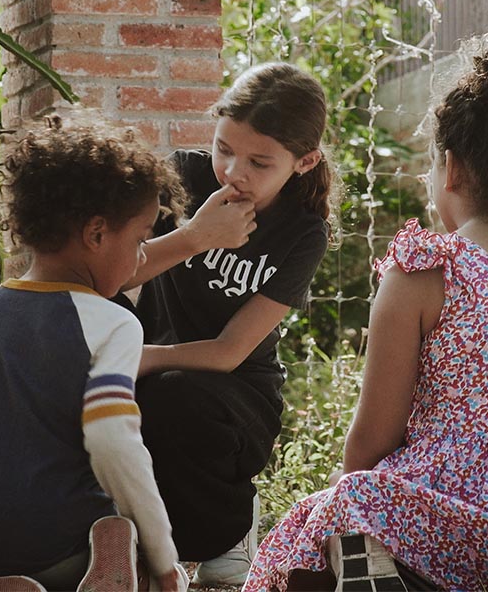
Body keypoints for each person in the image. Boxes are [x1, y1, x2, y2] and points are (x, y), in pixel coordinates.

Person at [242, 18, 488, 592]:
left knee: (316, 531)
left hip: (448, 513)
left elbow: (373, 438)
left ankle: (374, 559)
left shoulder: (429, 270)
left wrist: (355, 509)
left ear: (450, 168)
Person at [0, 116, 192, 592]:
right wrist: (165, 561)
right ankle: (97, 570)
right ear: (97, 234)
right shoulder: (114, 322)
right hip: (59, 543)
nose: (142, 258)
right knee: (126, 530)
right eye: (140, 240)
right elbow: (112, 442)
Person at [128, 62, 334, 586]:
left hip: (237, 393)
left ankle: (231, 527)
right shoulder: (183, 178)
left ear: (303, 162)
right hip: (155, 370)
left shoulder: (304, 232)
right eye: (223, 149)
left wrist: (143, 358)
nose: (233, 172)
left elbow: (229, 351)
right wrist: (194, 236)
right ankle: (128, 542)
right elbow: (110, 272)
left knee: (173, 395)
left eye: (259, 162)